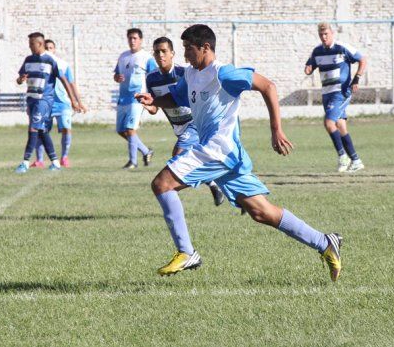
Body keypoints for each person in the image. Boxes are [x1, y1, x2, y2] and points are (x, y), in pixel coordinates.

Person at [136, 24, 342, 281]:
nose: (185, 54)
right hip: (223, 155)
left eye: (189, 48)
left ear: (205, 48)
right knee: (261, 212)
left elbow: (268, 86)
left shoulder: (224, 74)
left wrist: (276, 130)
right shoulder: (190, 75)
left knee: (161, 184)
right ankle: (324, 242)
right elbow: (177, 98)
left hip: (218, 150)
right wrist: (153, 101)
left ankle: (186, 252)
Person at [143, 36, 225, 206]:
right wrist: (147, 104)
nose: (160, 55)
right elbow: (154, 109)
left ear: (172, 53)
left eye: (164, 51)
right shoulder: (151, 79)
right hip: (178, 127)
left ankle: (169, 193)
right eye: (157, 52)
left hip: (194, 122)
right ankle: (215, 182)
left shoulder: (184, 73)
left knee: (178, 157)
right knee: (190, 160)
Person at [15, 32, 83, 174]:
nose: (29, 47)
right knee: (41, 131)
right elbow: (19, 79)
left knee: (33, 128)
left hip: (44, 100)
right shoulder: (28, 60)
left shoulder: (50, 61)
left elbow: (64, 80)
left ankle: (25, 163)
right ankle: (55, 162)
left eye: (31, 44)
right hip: (32, 99)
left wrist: (73, 101)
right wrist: (21, 79)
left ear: (39, 44)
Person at [304, 22, 367, 173]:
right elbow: (309, 66)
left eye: (326, 34)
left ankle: (342, 156)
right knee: (341, 126)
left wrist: (357, 78)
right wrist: (308, 68)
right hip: (327, 94)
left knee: (328, 123)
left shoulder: (342, 48)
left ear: (332, 33)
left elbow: (362, 59)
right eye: (321, 35)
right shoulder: (317, 51)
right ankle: (356, 161)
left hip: (341, 93)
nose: (324, 37)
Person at [32, 39, 86, 168]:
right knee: (41, 130)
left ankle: (64, 157)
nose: (49, 50)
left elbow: (71, 83)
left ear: (54, 49)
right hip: (45, 102)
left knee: (66, 129)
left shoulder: (63, 64)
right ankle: (39, 160)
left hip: (62, 103)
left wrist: (78, 102)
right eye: (47, 47)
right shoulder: (40, 64)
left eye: (51, 47)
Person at [114, 28, 157, 169]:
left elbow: (154, 77)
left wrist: (152, 97)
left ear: (140, 40)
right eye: (130, 38)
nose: (132, 41)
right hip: (123, 98)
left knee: (130, 129)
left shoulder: (146, 57)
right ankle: (146, 151)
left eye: (135, 38)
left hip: (137, 99)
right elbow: (116, 75)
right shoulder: (123, 56)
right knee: (121, 130)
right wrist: (117, 77)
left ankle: (133, 162)